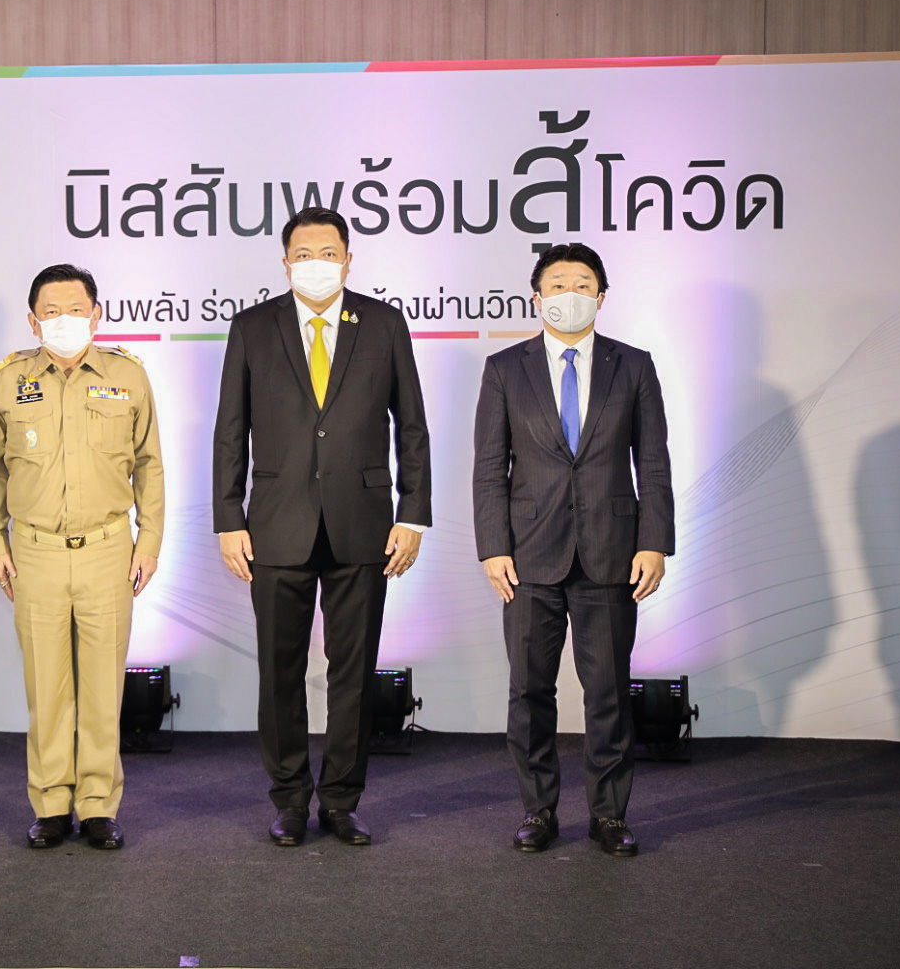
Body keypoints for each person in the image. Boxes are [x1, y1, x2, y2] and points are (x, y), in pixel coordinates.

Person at [212, 206, 431, 848]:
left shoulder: (384, 324)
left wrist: (412, 514)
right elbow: (230, 430)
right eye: (303, 254)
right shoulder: (252, 327)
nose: (316, 263)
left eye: (328, 253)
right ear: (285, 262)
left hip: (364, 524)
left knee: (353, 673)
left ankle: (340, 801)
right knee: (279, 672)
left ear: (348, 259)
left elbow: (412, 427)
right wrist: (229, 518)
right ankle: (288, 800)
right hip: (275, 525)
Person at [472, 243, 673, 857]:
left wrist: (654, 542)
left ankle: (609, 815)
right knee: (529, 692)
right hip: (527, 556)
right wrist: (493, 546)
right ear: (537, 297)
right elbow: (489, 467)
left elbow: (653, 463)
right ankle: (537, 810)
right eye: (557, 284)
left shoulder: (633, 365)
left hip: (612, 552)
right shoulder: (505, 368)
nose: (569, 294)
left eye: (582, 284)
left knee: (607, 691)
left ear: (601, 297)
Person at [0, 263, 164, 851]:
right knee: (47, 688)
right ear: (33, 321)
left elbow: (150, 465)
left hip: (108, 548)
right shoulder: (6, 379)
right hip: (35, 553)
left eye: (75, 310)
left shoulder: (128, 375)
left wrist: (149, 541)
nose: (63, 321)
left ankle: (99, 805)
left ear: (96, 315)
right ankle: (52, 803)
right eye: (50, 312)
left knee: (104, 689)